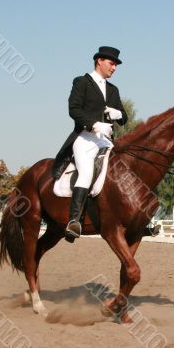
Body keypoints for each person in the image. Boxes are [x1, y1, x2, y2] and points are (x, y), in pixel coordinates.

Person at [53, 46, 128, 241]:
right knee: (86, 173)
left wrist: (119, 114)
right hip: (85, 138)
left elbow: (124, 118)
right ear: (99, 61)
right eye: (112, 63)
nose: (114, 68)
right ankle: (73, 221)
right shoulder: (82, 82)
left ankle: (137, 218)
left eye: (116, 65)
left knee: (125, 171)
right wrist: (94, 125)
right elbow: (74, 109)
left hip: (106, 140)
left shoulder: (113, 90)